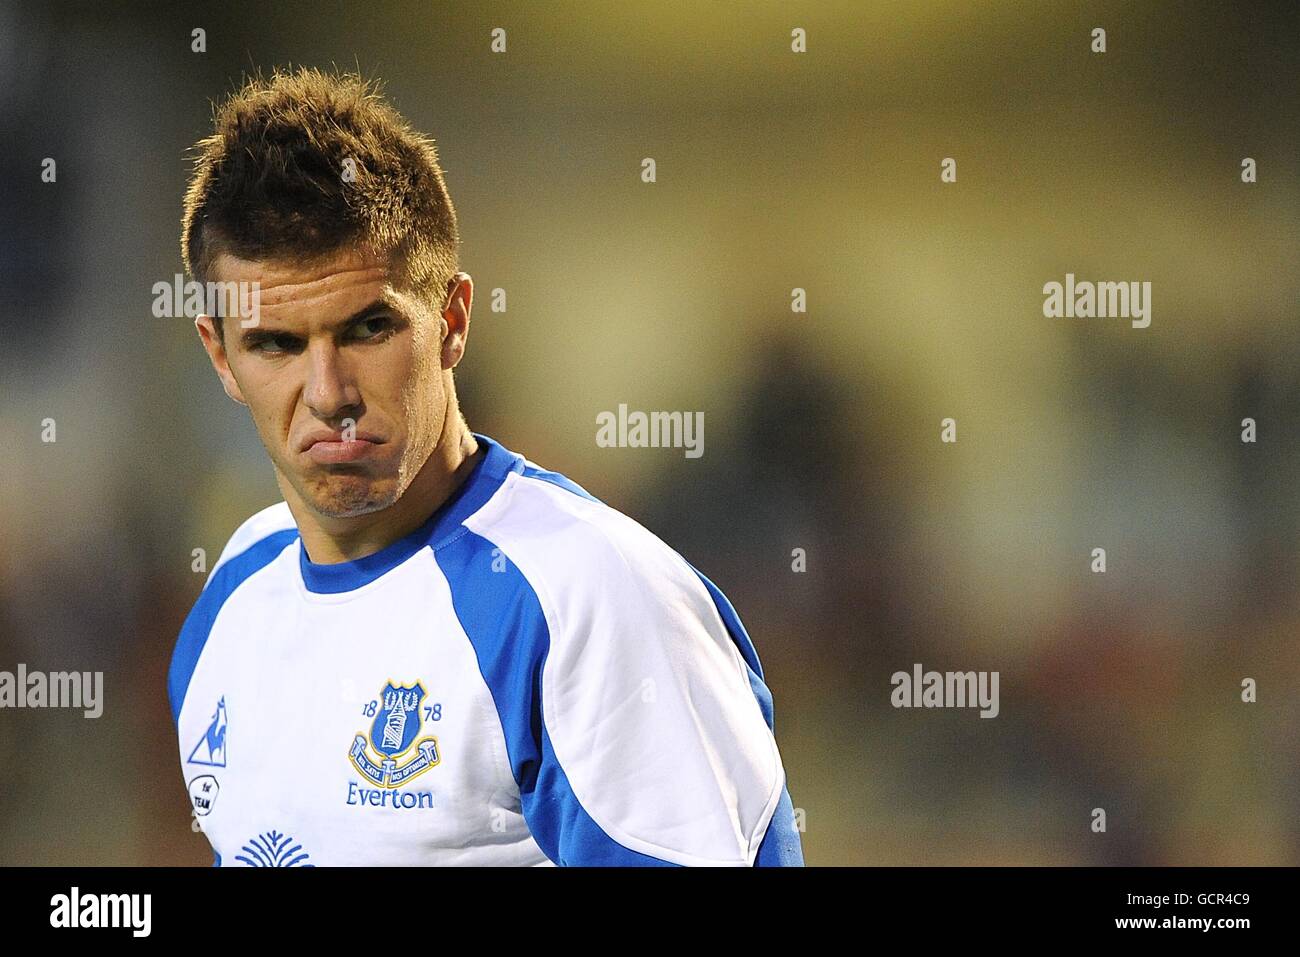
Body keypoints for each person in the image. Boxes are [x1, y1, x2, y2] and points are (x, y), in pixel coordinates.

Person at [168, 66, 803, 866]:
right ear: (220, 356)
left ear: (453, 321)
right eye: (276, 344)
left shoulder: (589, 599)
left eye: (367, 329)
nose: (327, 394)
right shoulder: (234, 598)